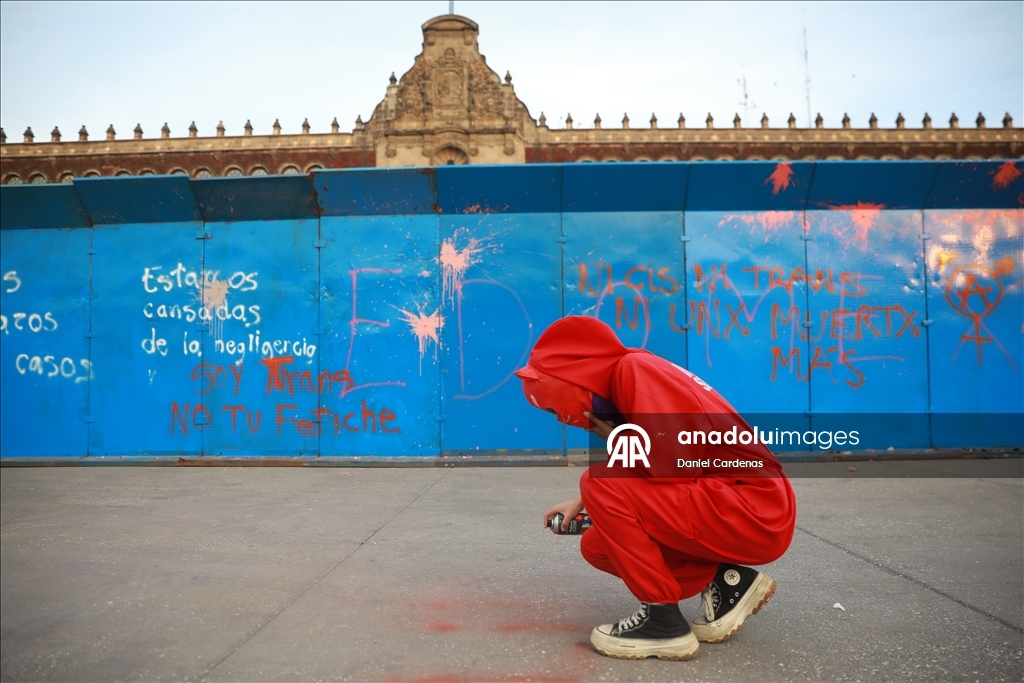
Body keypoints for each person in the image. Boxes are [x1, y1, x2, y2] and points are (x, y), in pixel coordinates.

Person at [515, 316, 796, 661]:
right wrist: (584, 503)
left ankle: (662, 623)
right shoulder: (630, 377)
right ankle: (729, 581)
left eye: (549, 406)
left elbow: (671, 465)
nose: (558, 417)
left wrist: (612, 446)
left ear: (568, 378)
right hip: (729, 501)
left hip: (753, 504)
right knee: (598, 545)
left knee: (598, 481)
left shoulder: (634, 369)